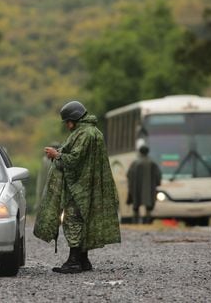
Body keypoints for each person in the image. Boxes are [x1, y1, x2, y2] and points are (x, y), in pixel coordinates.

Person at [33, 100, 121, 274]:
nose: (67, 125)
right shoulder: (94, 132)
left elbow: (74, 159)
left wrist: (56, 155)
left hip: (80, 187)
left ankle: (74, 261)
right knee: (83, 220)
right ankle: (83, 259)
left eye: (67, 121)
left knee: (72, 219)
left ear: (73, 119)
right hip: (89, 186)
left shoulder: (85, 134)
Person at [126, 140, 162, 224]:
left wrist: (131, 185)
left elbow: (129, 175)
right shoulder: (152, 163)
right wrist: (156, 183)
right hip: (149, 188)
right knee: (148, 205)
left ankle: (135, 220)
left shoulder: (135, 163)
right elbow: (158, 175)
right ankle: (147, 220)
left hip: (136, 188)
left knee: (136, 205)